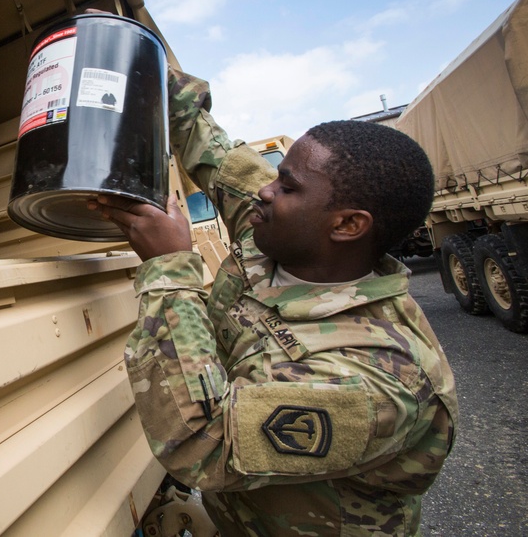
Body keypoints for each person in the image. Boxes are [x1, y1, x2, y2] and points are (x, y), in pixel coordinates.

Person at [90, 67, 458, 536]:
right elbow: (213, 149)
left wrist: (169, 269)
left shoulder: (378, 380)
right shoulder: (282, 233)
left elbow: (203, 444)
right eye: (277, 176)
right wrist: (144, 68)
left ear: (347, 225)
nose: (265, 190)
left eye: (287, 186)